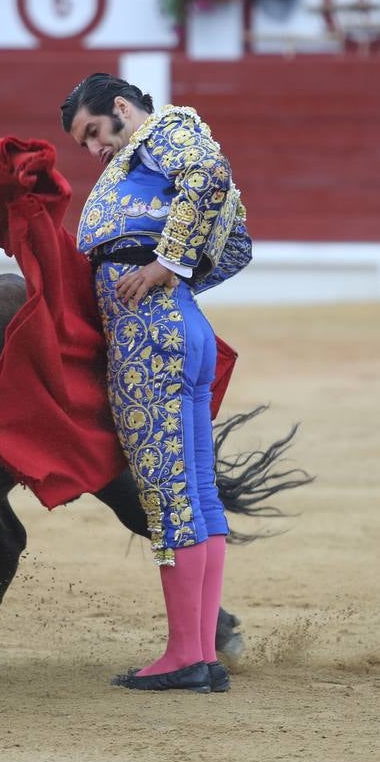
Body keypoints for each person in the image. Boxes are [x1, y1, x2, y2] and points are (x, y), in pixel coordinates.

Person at [61, 72, 252, 693]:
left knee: (170, 494)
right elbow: (236, 246)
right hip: (179, 327)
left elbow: (209, 175)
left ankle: (184, 655)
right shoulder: (140, 161)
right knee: (196, 492)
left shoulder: (164, 132)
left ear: (122, 107)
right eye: (84, 143)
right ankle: (201, 654)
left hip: (150, 337)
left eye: (95, 131)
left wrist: (166, 266)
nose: (94, 149)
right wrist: (179, 277)